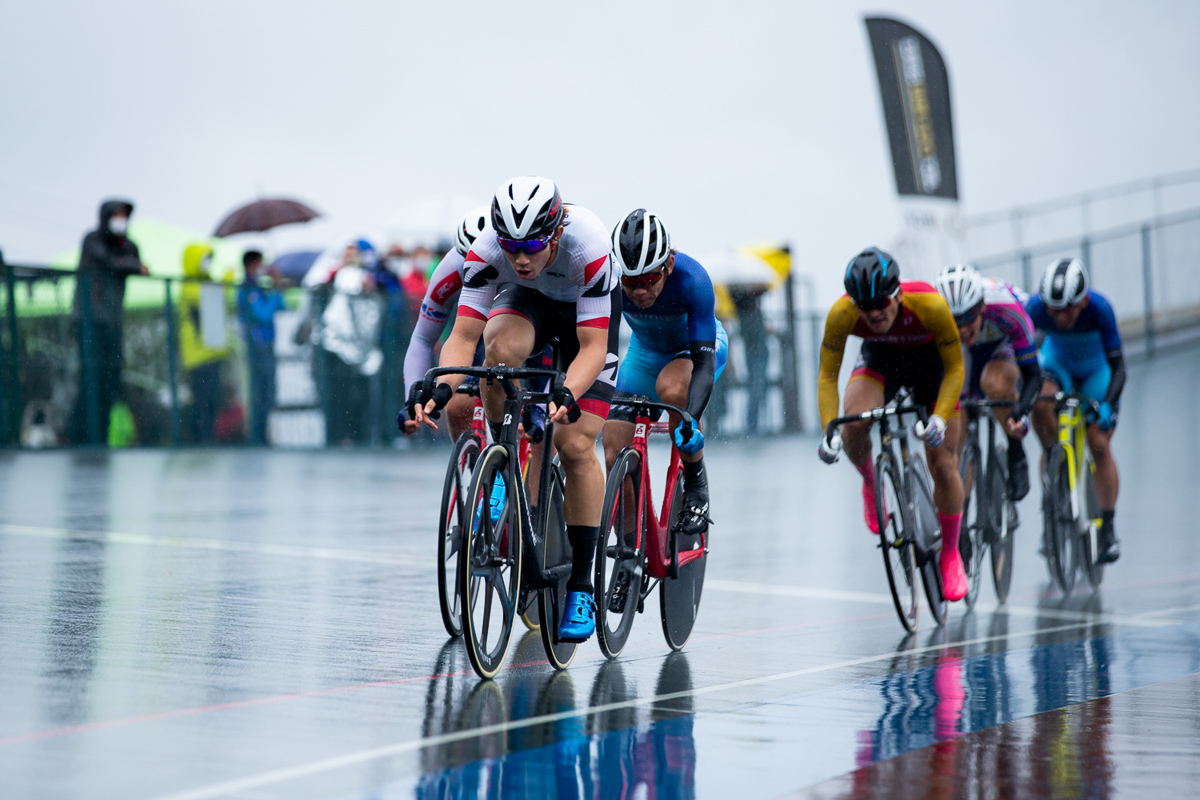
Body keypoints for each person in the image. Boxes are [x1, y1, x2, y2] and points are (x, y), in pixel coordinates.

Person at [412, 176, 619, 643]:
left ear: (557, 232)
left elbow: (592, 346)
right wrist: (441, 390)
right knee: (497, 349)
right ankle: (503, 462)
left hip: (587, 322)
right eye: (511, 247)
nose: (521, 259)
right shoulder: (487, 249)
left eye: (531, 246)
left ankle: (583, 586)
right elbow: (462, 338)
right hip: (532, 306)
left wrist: (568, 391)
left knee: (575, 442)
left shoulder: (589, 245)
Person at [816, 248, 968, 601]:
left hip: (932, 369)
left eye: (881, 303)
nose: (873, 313)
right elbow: (827, 376)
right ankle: (871, 481)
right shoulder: (842, 313)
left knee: (944, 464)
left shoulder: (929, 305)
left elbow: (957, 368)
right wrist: (829, 429)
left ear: (898, 293)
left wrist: (940, 417)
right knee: (853, 425)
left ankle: (950, 553)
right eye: (864, 307)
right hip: (882, 361)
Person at [603, 209, 727, 535]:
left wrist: (691, 415)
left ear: (668, 265)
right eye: (631, 282)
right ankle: (630, 555)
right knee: (613, 447)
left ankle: (696, 485)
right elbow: (601, 347)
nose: (640, 291)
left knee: (671, 389)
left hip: (695, 350)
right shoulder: (608, 281)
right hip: (645, 354)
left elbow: (702, 364)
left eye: (649, 279)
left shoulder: (693, 279)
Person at [1025, 258, 1124, 563]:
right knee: (1043, 407)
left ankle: (1107, 529)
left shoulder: (1100, 309)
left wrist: (1107, 404)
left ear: (1082, 301)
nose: (1059, 316)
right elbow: (1026, 360)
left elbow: (1119, 367)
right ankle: (1052, 503)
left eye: (1067, 309)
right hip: (1059, 365)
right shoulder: (1035, 309)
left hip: (1097, 372)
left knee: (1098, 443)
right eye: (1053, 310)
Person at [934, 264, 1041, 500]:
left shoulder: (1006, 308)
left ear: (982, 305)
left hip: (1004, 342)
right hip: (970, 353)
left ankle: (1016, 454)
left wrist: (1020, 410)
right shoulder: (934, 317)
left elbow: (1033, 375)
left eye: (969, 317)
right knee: (954, 416)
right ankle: (958, 516)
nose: (962, 328)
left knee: (994, 384)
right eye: (954, 320)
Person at [398, 206, 491, 440]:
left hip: (518, 326)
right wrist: (413, 400)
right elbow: (422, 338)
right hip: (474, 333)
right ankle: (469, 468)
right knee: (458, 405)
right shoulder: (449, 269)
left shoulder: (524, 264)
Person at [69, 198, 149, 445]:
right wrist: (127, 264)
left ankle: (101, 435)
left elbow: (138, 265)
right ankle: (79, 435)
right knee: (90, 378)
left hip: (113, 321)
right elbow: (110, 261)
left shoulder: (128, 245)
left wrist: (127, 264)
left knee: (110, 379)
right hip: (89, 320)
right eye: (115, 215)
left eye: (124, 216)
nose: (120, 221)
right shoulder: (93, 239)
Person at [179, 243, 232, 443]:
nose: (207, 264)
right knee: (201, 400)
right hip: (198, 355)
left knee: (213, 399)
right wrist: (227, 281)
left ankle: (209, 436)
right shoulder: (189, 285)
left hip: (213, 351)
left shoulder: (207, 282)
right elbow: (209, 298)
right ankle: (201, 438)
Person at [237, 250, 286, 445]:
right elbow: (263, 314)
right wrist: (274, 293)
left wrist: (276, 286)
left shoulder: (259, 287)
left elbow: (282, 306)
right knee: (259, 392)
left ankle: (263, 433)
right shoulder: (247, 288)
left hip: (267, 344)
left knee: (268, 391)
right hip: (257, 346)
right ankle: (257, 436)